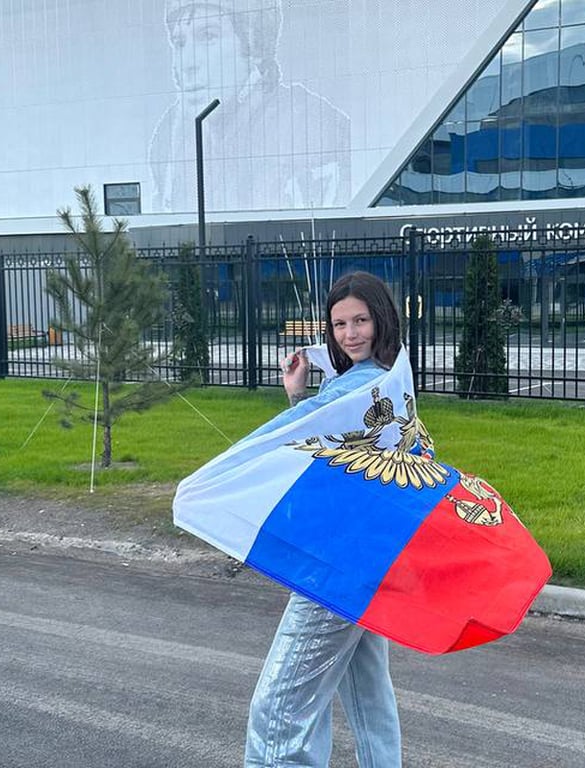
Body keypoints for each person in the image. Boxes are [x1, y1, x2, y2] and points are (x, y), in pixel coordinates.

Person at [242, 271, 403, 768]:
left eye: (360, 320)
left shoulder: (354, 388)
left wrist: (214, 474)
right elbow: (329, 447)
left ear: (381, 318)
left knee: (279, 712)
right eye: (339, 324)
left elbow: (285, 439)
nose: (350, 334)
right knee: (367, 692)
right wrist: (300, 396)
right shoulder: (394, 378)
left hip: (334, 566)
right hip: (372, 557)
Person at [149, 0, 352, 215]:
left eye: (208, 37)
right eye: (179, 43)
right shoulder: (170, 135)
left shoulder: (309, 125)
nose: (188, 63)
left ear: (254, 43)